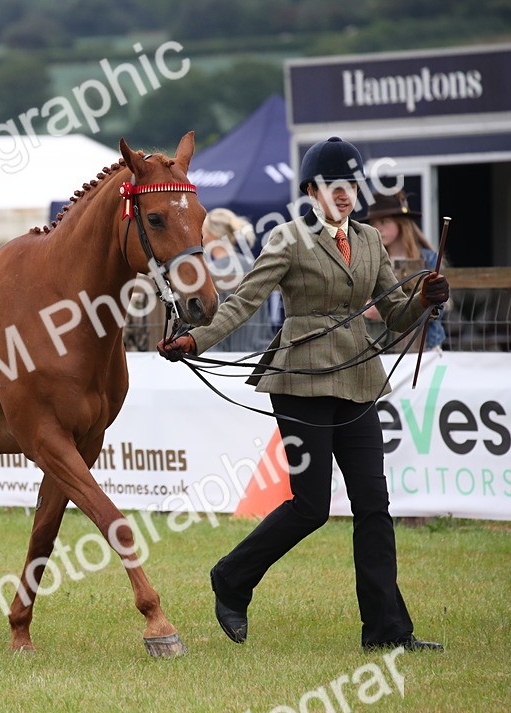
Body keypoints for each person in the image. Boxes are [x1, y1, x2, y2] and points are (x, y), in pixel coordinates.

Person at [157, 136, 449, 652]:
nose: (345, 194)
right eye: (334, 186)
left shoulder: (368, 241)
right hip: (301, 379)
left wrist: (424, 297)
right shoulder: (289, 239)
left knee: (374, 506)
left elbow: (397, 311)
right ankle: (232, 578)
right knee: (311, 506)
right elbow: (243, 302)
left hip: (358, 379)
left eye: (351, 185)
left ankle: (386, 631)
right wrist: (195, 339)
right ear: (313, 189)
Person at [362, 190, 447, 352]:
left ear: (401, 222)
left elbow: (439, 308)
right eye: (373, 223)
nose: (377, 228)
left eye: (384, 221)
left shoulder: (428, 259)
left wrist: (386, 313)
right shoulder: (371, 259)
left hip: (426, 347)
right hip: (383, 349)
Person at [201, 208, 281, 353]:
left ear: (212, 235)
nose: (201, 236)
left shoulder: (209, 272)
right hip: (258, 350)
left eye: (203, 232)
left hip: (222, 354)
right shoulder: (253, 264)